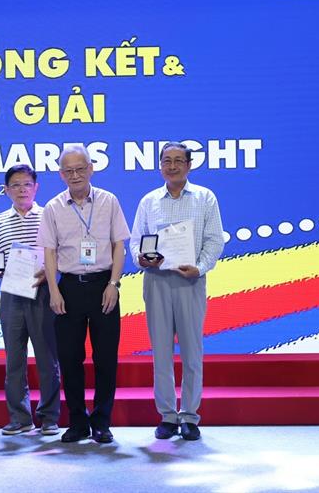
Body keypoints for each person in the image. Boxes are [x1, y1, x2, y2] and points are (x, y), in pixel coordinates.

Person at [130, 142, 224, 441]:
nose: (172, 166)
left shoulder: (205, 198)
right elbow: (136, 241)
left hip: (190, 281)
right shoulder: (149, 201)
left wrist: (201, 267)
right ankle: (168, 416)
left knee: (192, 353)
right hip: (157, 281)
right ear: (160, 166)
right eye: (166, 161)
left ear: (189, 165)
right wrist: (142, 259)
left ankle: (190, 416)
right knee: (161, 353)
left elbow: (215, 240)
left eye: (178, 161)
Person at [38, 144, 130, 444]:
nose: (75, 175)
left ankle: (101, 422)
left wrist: (114, 284)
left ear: (91, 169)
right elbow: (49, 252)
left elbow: (120, 245)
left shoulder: (109, 201)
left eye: (80, 169)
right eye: (69, 171)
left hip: (104, 286)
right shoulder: (53, 207)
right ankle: (77, 422)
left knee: (106, 358)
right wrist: (54, 290)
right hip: (68, 288)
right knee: (69, 358)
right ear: (61, 174)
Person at [0, 164, 62, 436]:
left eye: (27, 184)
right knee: (14, 359)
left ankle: (49, 417)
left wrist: (50, 272)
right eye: (15, 185)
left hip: (43, 291)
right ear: (6, 190)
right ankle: (19, 417)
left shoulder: (49, 215)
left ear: (36, 187)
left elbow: (61, 253)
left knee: (47, 357)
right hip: (11, 294)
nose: (22, 190)